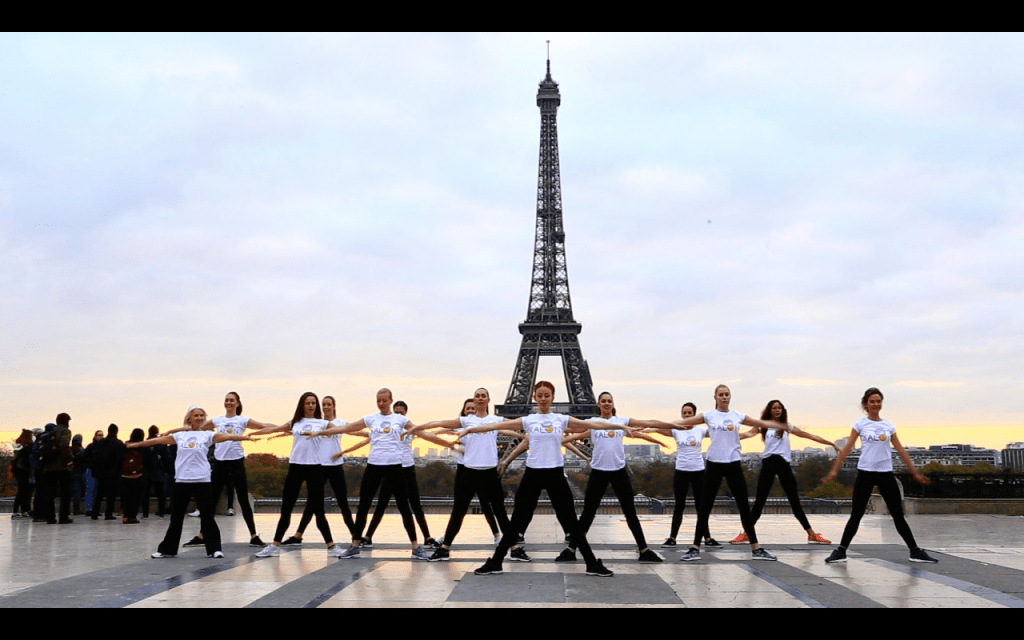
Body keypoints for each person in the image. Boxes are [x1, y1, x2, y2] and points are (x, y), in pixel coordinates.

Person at [462, 381, 627, 578]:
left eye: (546, 395)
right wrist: (471, 429)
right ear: (534, 397)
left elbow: (592, 424)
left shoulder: (560, 419)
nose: (543, 399)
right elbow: (498, 425)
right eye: (539, 395)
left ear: (552, 397)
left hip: (555, 473)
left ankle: (591, 563)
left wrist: (619, 425)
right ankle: (496, 562)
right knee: (516, 520)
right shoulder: (529, 420)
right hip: (533, 473)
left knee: (571, 521)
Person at [315, 388, 456, 560]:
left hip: (394, 467)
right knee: (363, 506)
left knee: (404, 507)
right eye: (378, 401)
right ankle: (355, 545)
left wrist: (449, 444)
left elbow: (422, 433)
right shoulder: (371, 418)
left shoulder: (400, 419)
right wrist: (321, 432)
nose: (381, 403)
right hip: (374, 466)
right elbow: (345, 428)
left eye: (384, 400)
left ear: (390, 401)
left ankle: (415, 546)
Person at [542, 391, 675, 564]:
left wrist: (671, 429)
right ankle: (571, 549)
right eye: (603, 401)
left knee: (630, 513)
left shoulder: (621, 422)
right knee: (588, 514)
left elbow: (647, 424)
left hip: (619, 471)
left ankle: (644, 549)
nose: (606, 403)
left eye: (609, 401)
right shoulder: (592, 423)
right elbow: (571, 431)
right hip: (599, 472)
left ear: (612, 404)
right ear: (598, 404)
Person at [662, 384, 787, 562]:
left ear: (730, 396)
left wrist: (783, 425)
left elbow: (759, 423)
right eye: (721, 394)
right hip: (714, 464)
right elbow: (677, 424)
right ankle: (695, 548)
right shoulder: (709, 415)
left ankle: (756, 548)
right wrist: (649, 426)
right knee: (704, 507)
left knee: (744, 507)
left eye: (727, 394)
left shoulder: (737, 415)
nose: (724, 397)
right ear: (715, 397)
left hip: (733, 464)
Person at [822, 388, 938, 564]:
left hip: (885, 474)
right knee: (856, 514)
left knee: (898, 515)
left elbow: (900, 450)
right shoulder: (860, 424)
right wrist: (834, 469)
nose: (876, 404)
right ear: (865, 404)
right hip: (865, 473)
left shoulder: (888, 425)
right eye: (872, 401)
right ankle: (841, 551)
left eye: (878, 401)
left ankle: (915, 551)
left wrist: (914, 471)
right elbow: (847, 448)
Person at [130, 405, 253, 559]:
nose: (199, 418)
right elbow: (157, 441)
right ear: (189, 418)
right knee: (176, 516)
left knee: (207, 516)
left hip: (202, 479)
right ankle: (167, 549)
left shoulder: (208, 435)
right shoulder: (179, 436)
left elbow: (227, 437)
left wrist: (245, 438)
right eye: (196, 415)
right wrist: (136, 444)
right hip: (182, 480)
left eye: (202, 415)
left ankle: (214, 549)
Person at [414, 389, 521, 562]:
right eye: (477, 396)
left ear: (488, 400)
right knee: (459, 511)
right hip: (470, 471)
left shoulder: (495, 420)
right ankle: (444, 548)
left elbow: (519, 424)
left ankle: (514, 548)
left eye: (483, 396)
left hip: (489, 471)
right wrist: (415, 427)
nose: (480, 398)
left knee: (500, 511)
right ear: (474, 399)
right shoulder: (465, 420)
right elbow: (438, 423)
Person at [248, 392, 347, 558]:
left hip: (315, 468)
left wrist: (368, 433)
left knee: (319, 510)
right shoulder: (295, 422)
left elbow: (342, 429)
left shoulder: (323, 423)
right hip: (296, 467)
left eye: (313, 403)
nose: (311, 405)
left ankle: (331, 546)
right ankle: (274, 546)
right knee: (286, 508)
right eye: (308, 403)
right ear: (302, 405)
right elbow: (275, 428)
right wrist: (254, 434)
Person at [728, 399, 838, 545]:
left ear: (782, 410)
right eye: (774, 408)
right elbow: (747, 434)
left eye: (779, 408)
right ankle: (746, 534)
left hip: (783, 465)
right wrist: (729, 437)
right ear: (770, 410)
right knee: (759, 501)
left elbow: (808, 435)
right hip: (768, 463)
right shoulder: (763, 426)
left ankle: (812, 534)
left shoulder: (787, 427)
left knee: (795, 502)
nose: (777, 410)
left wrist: (831, 444)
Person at [180, 392, 274, 547]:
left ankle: (253, 535)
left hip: (236, 462)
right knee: (211, 500)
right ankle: (202, 535)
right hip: (220, 463)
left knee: (243, 500)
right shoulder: (218, 420)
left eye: (232, 400)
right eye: (227, 400)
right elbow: (197, 427)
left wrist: (285, 427)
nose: (229, 403)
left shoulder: (242, 420)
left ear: (237, 403)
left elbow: (262, 425)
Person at [359, 401, 439, 548]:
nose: (398, 415)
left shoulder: (409, 427)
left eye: (401, 413)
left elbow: (426, 434)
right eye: (396, 412)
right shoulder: (390, 427)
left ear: (405, 413)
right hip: (391, 468)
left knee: (415, 504)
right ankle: (368, 536)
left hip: (407, 468)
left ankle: (427, 537)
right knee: (382, 503)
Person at [280, 395, 357, 545]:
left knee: (343, 502)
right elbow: (298, 433)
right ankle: (298, 535)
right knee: (312, 503)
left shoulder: (339, 424)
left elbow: (354, 430)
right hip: (319, 466)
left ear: (334, 406)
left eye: (329, 404)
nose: (326, 407)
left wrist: (371, 434)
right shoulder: (317, 423)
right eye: (324, 404)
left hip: (335, 467)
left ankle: (355, 535)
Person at [642, 403, 719, 548]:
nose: (687, 415)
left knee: (701, 507)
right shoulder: (676, 430)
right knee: (679, 506)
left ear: (694, 415)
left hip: (698, 471)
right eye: (685, 413)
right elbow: (659, 429)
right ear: (682, 415)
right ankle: (672, 538)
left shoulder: (701, 431)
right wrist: (648, 428)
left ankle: (707, 538)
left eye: (690, 413)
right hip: (681, 471)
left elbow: (718, 432)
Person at [90, 424, 125, 521]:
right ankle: (108, 514)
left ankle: (94, 513)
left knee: (99, 494)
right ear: (116, 432)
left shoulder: (100, 443)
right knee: (111, 495)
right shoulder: (119, 444)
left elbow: (95, 457)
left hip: (101, 472)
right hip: (114, 473)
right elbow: (122, 459)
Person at [120, 428, 150, 524]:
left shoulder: (125, 446)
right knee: (136, 497)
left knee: (127, 496)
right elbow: (150, 462)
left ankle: (125, 516)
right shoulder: (144, 447)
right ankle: (132, 517)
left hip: (125, 476)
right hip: (140, 476)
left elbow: (119, 460)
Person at [11, 430, 35, 519]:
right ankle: (21, 511)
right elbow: (27, 460)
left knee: (21, 491)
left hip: (18, 471)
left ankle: (18, 511)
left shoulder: (18, 446)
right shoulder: (27, 447)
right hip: (24, 471)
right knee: (24, 492)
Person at [70, 434, 88, 516]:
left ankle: (74, 508)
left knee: (74, 491)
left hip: (72, 471)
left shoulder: (71, 449)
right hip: (80, 471)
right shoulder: (82, 450)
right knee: (78, 491)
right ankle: (77, 509)